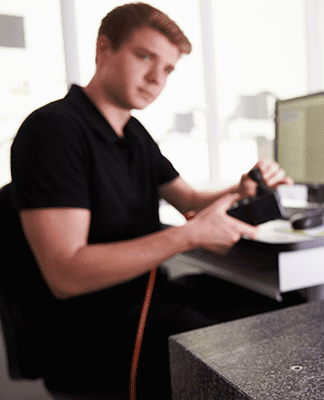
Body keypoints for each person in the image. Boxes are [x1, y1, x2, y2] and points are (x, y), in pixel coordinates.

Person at [7, 3, 301, 398]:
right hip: (98, 331)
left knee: (295, 311)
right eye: (144, 56)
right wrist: (189, 235)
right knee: (263, 348)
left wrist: (240, 188)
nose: (155, 78)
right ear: (103, 49)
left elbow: (191, 201)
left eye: (167, 69)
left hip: (150, 296)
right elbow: (66, 274)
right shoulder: (53, 131)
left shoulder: (134, 134)